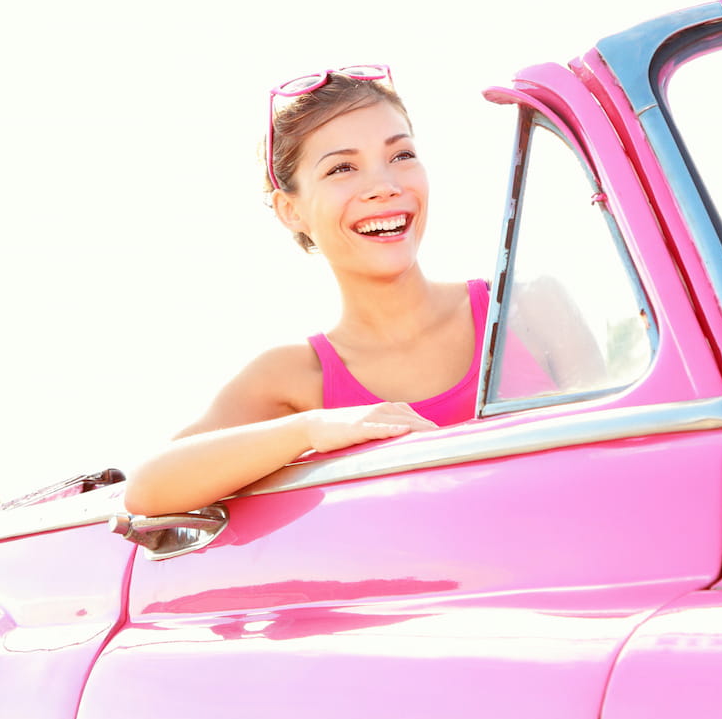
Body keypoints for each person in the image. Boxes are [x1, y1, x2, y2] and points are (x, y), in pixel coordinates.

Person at [123, 66, 488, 517]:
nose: (385, 187)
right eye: (342, 168)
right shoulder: (292, 376)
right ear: (290, 209)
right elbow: (148, 488)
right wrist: (310, 428)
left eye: (401, 155)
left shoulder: (518, 310)